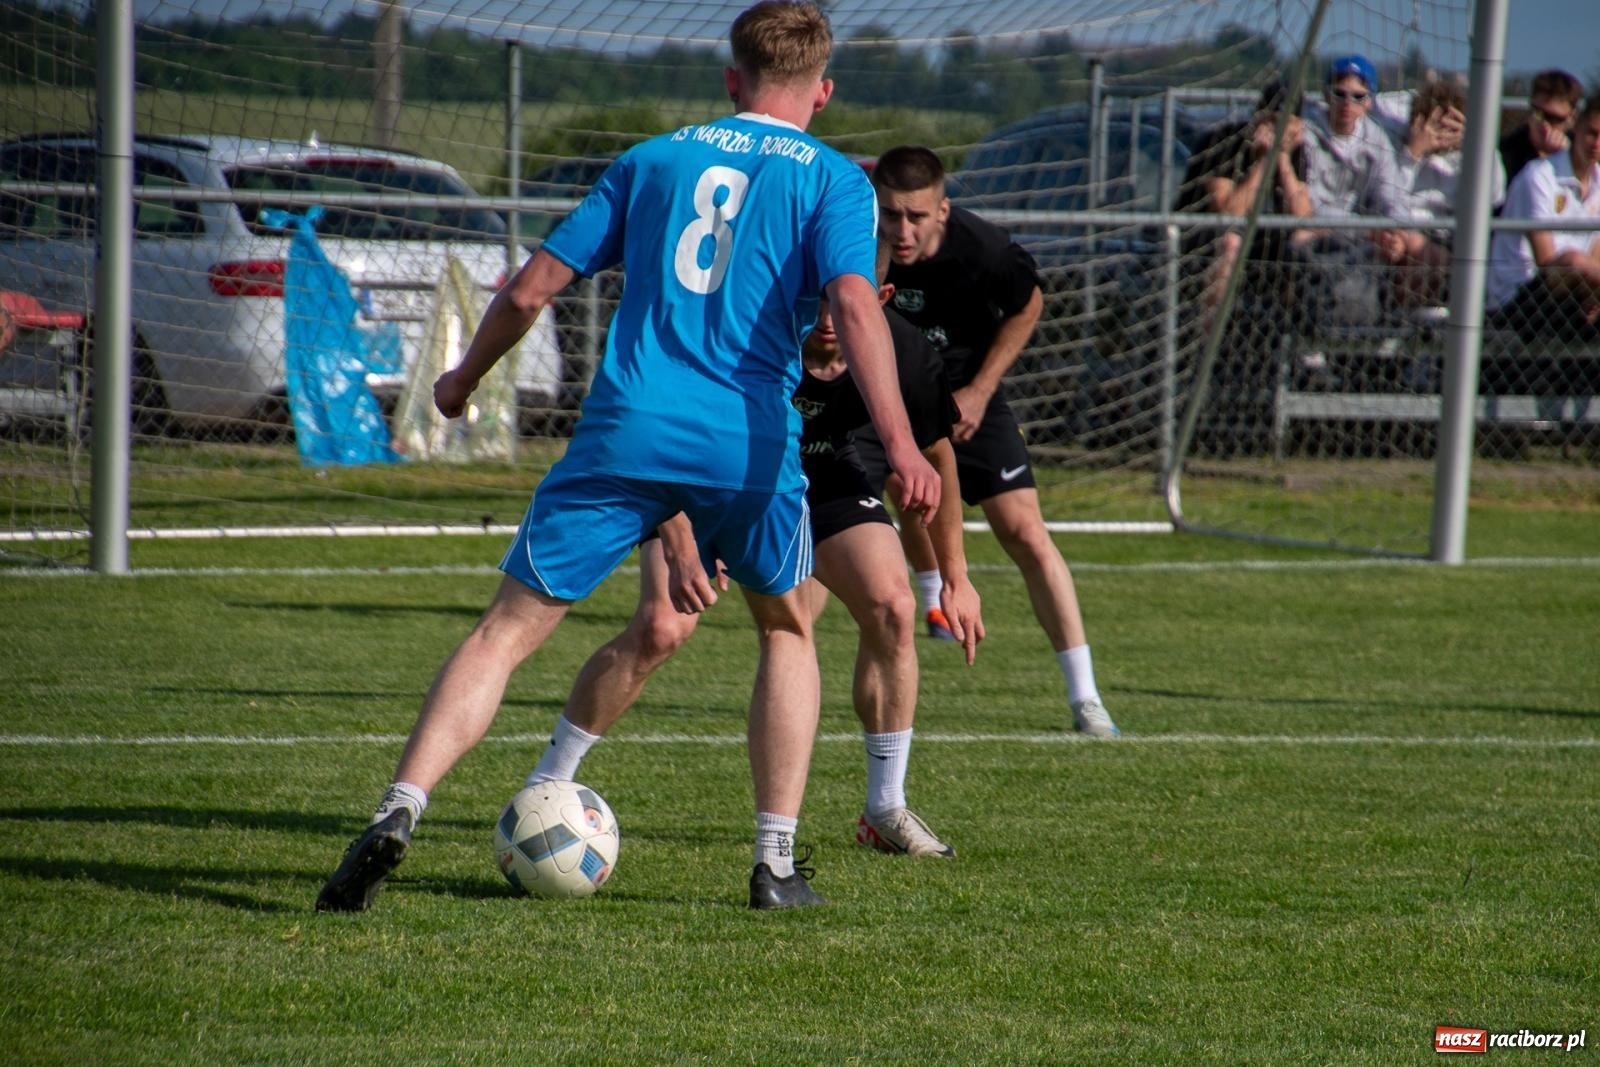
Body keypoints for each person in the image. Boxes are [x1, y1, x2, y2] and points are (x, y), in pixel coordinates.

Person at [316, 0, 940, 915]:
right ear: (823, 91)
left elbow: (531, 289)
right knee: (785, 629)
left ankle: (398, 808)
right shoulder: (835, 180)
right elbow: (853, 304)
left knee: (504, 631)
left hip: (625, 426)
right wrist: (896, 443)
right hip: (746, 440)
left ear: (731, 79)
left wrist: (459, 379)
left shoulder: (650, 159)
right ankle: (774, 863)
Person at [526, 239, 983, 861]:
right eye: (817, 296)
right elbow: (674, 432)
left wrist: (955, 578)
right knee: (662, 628)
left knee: (894, 606)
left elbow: (937, 456)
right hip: (710, 475)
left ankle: (885, 808)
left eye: (845, 301)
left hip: (819, 477)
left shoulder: (903, 352)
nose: (827, 317)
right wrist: (681, 540)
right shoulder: (744, 328)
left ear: (878, 299)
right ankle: (547, 781)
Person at [861, 144, 1120, 739]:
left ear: (943, 210)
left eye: (916, 216)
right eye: (891, 214)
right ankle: (931, 600)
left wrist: (979, 390)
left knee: (1025, 532)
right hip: (886, 397)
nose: (902, 230)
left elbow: (1030, 305)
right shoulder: (860, 243)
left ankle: (1086, 699)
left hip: (965, 398)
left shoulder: (983, 249)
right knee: (871, 508)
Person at [1175, 77, 1314, 314]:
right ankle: (1211, 341)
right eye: (1272, 122)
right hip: (1200, 237)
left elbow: (1303, 217)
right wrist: (1263, 161)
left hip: (1260, 241)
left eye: (1286, 124)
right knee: (1231, 244)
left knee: (1302, 243)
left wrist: (1282, 160)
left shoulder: (1294, 152)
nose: (1278, 132)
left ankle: (1296, 341)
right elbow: (1229, 213)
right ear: (1258, 118)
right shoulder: (1223, 142)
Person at [1487, 95, 1600, 347]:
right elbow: (1547, 262)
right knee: (1572, 260)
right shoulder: (1538, 176)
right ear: (1576, 126)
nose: (1597, 143)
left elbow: (1596, 254)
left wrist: (1594, 295)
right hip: (1519, 297)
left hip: (1574, 294)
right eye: (1592, 133)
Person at [1498, 69, 1585, 196]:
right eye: (1539, 114)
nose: (1545, 125)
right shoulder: (1505, 153)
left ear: (1572, 118)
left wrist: (1567, 158)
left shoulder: (1583, 151)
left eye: (1555, 119)